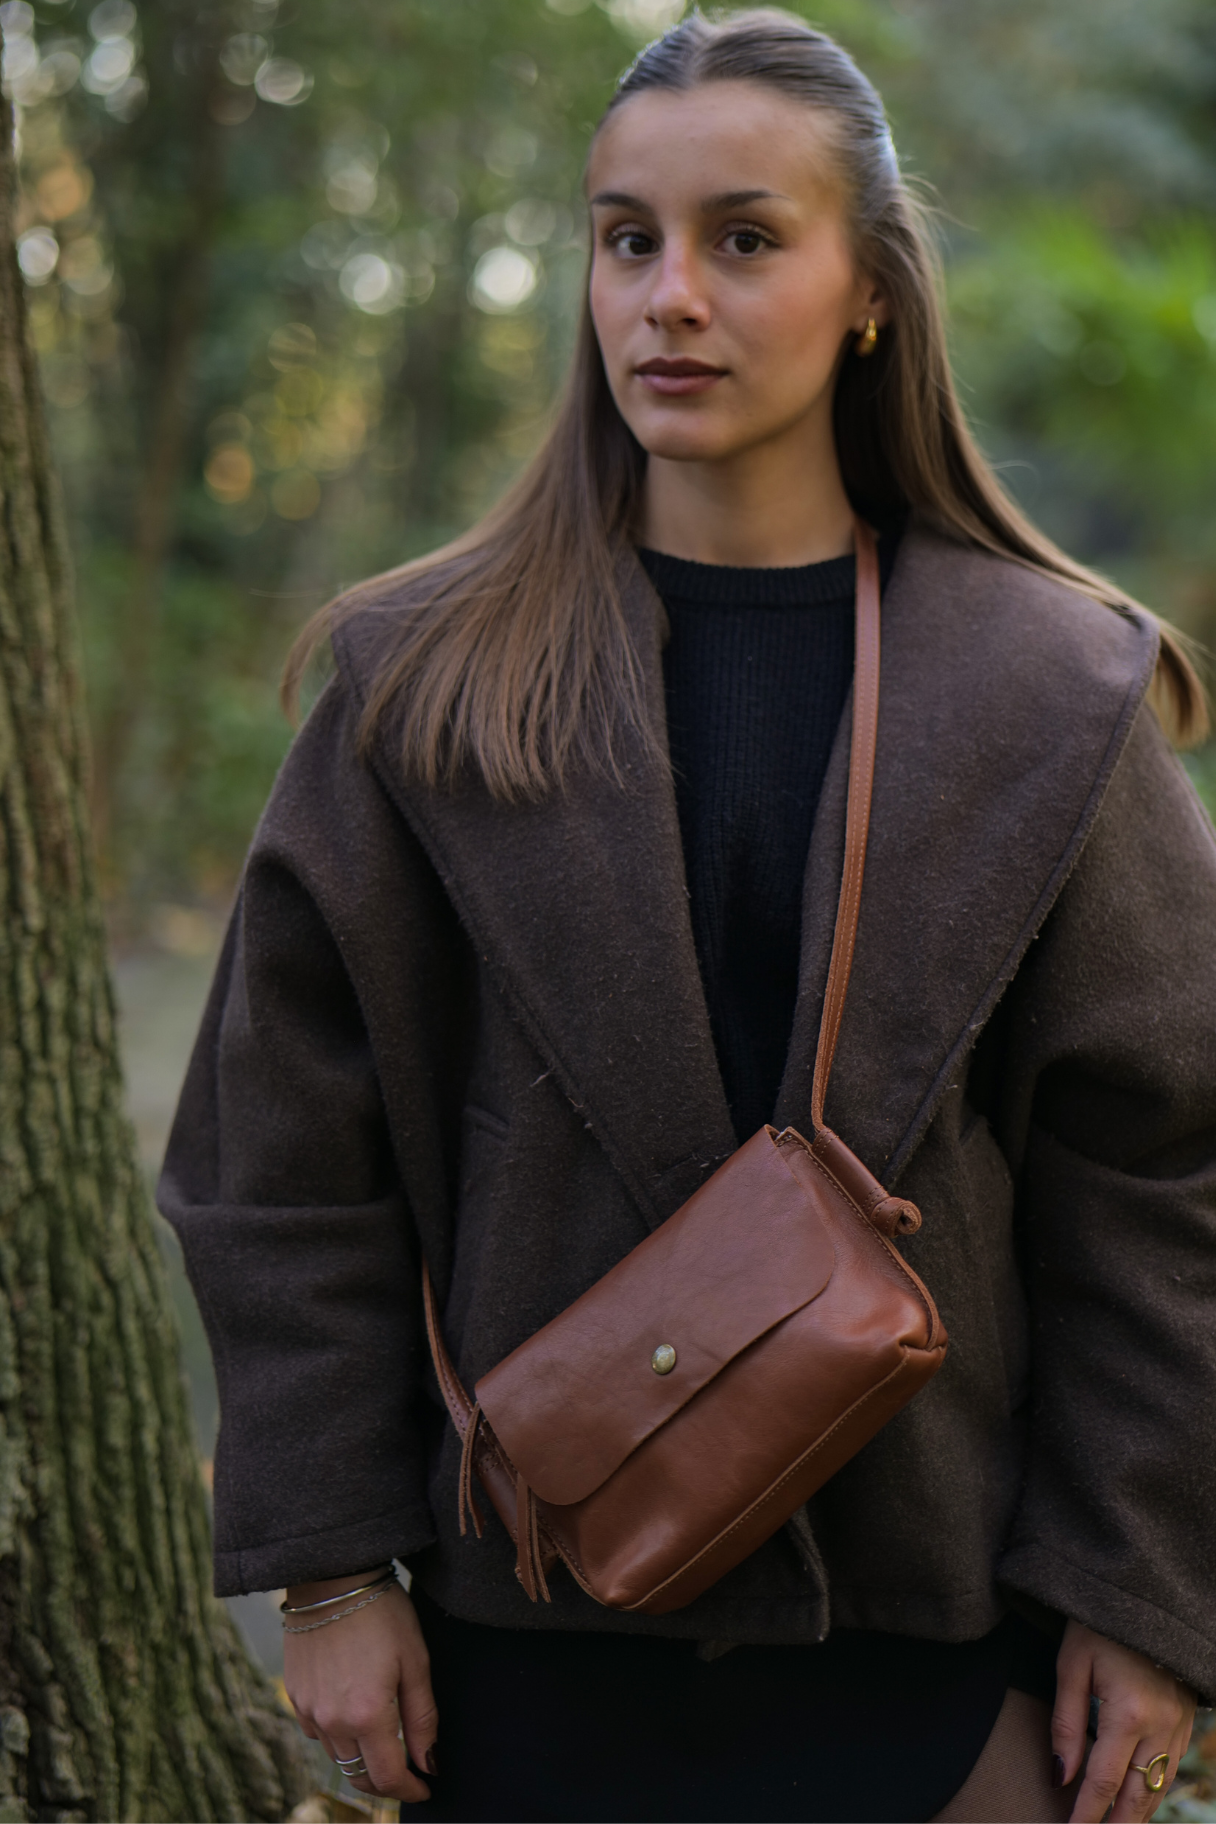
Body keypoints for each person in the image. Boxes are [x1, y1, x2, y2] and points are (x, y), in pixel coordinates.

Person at [159, 10, 1216, 1821]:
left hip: (946, 1649)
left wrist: (1141, 1592)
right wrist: (332, 1574)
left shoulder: (1058, 694)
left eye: (744, 238)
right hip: (525, 1642)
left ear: (868, 288)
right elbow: (285, 1157)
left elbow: (1167, 1176)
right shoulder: (425, 685)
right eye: (625, 239)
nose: (669, 297)